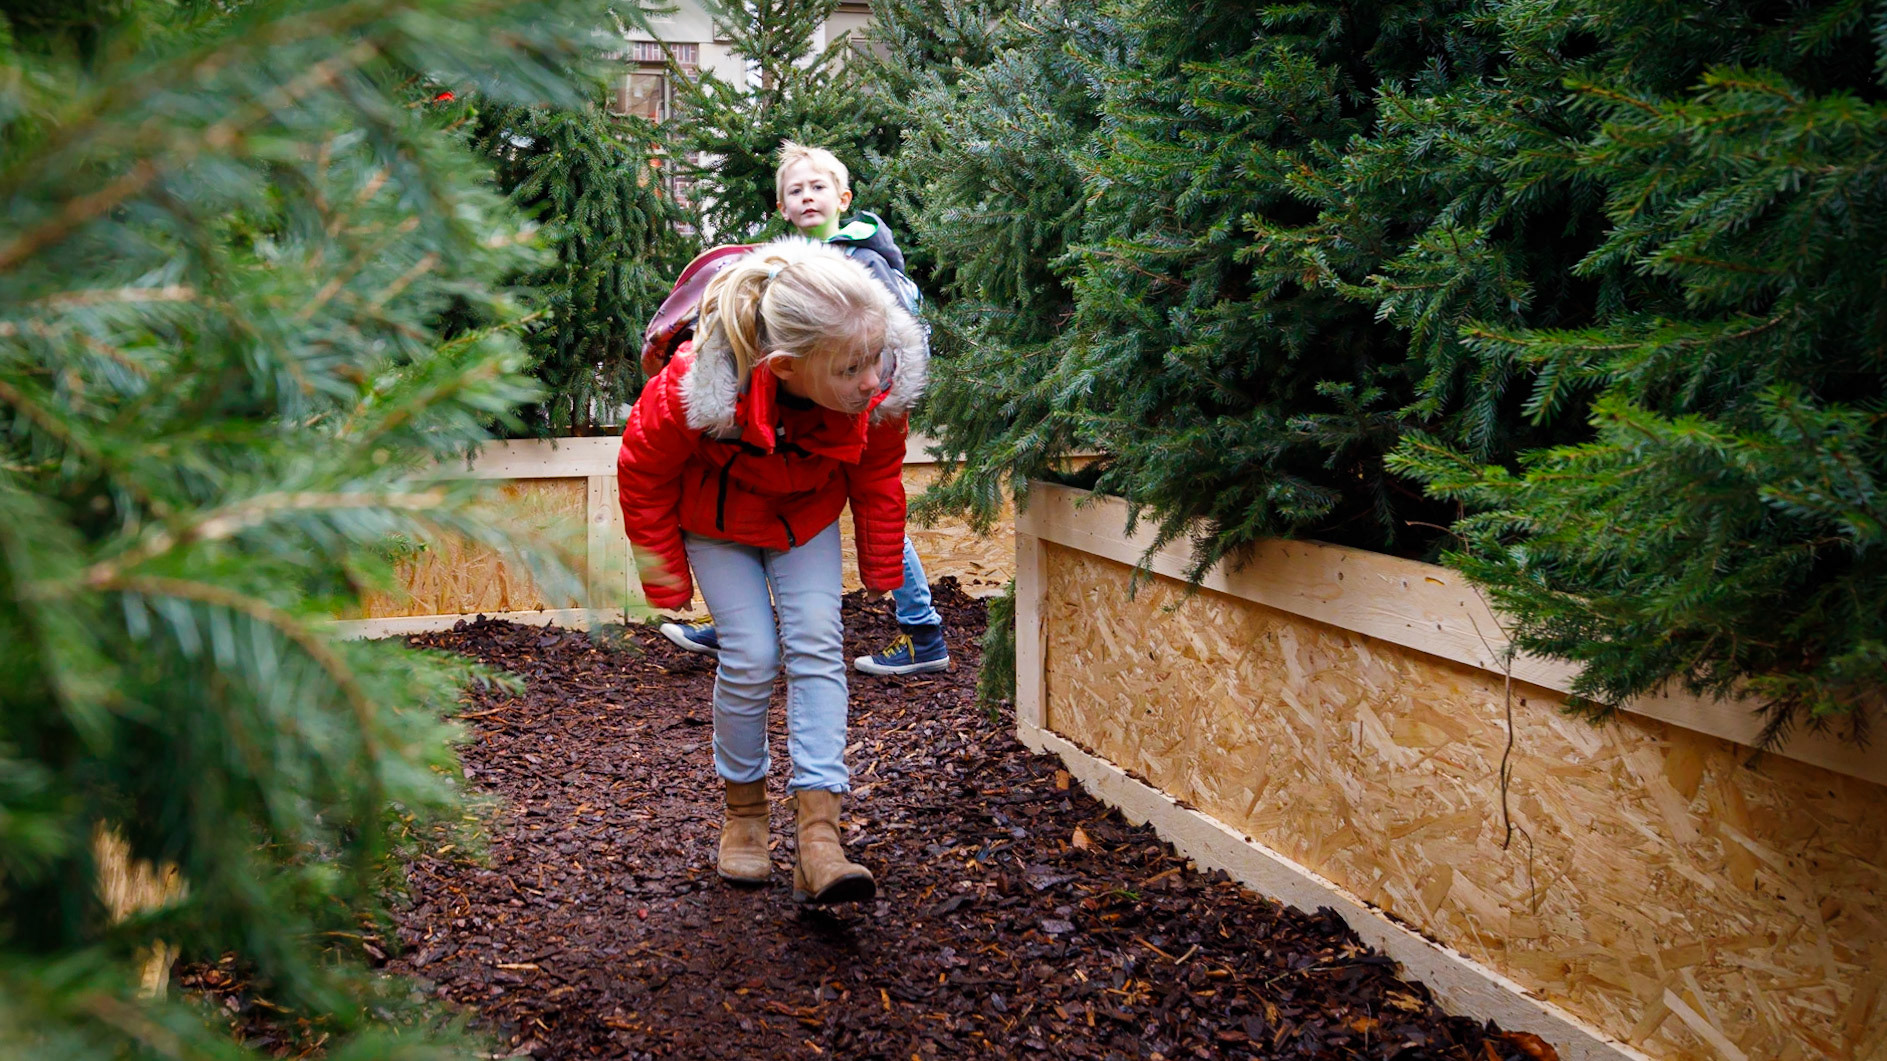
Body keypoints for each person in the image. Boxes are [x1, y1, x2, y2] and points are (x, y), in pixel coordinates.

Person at [617, 237, 925, 904]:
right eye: (851, 369)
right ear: (784, 367)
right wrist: (665, 576)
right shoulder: (695, 385)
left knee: (816, 646)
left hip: (805, 516)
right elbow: (641, 471)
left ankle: (820, 837)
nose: (872, 378)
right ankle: (745, 813)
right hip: (718, 522)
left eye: (876, 359)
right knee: (752, 654)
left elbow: (877, 474)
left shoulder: (877, 384)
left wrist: (880, 563)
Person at [659, 142, 952, 678]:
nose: (807, 196)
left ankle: (922, 629)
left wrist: (872, 393)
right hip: (800, 411)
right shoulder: (774, 266)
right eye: (796, 190)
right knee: (775, 497)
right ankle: (737, 626)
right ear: (781, 209)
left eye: (818, 187)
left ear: (843, 198)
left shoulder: (861, 260)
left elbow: (891, 342)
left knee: (876, 509)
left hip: (857, 409)